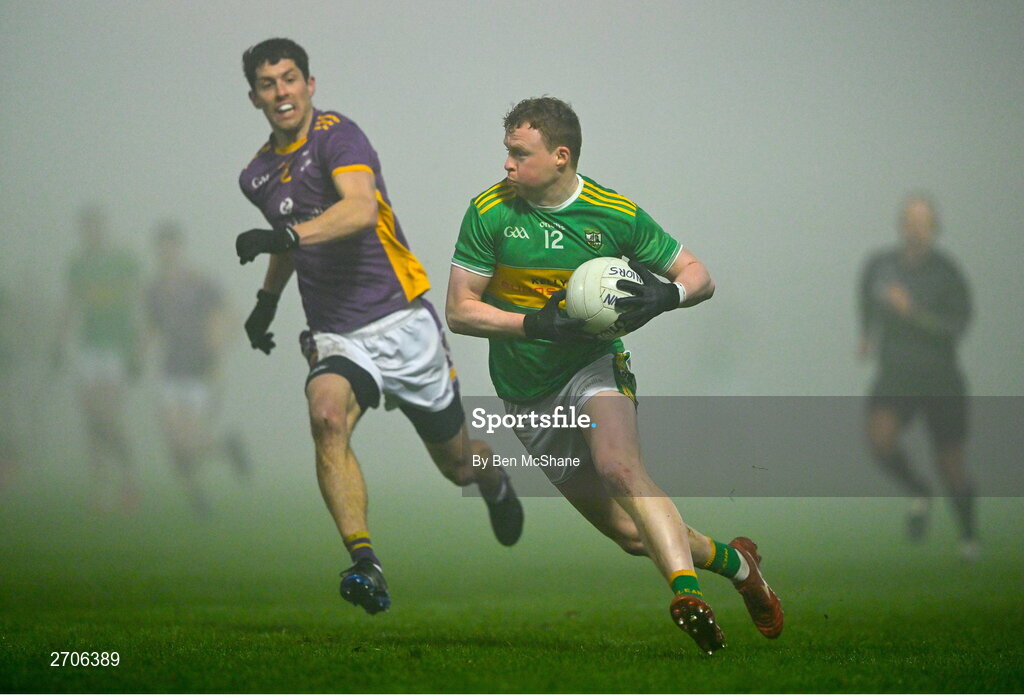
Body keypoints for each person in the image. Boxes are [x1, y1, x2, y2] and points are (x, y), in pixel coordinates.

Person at [446, 97, 783, 655]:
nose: (506, 164)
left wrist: (665, 294)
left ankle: (685, 594)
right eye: (506, 152)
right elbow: (460, 311)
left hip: (593, 366)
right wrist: (536, 324)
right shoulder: (488, 212)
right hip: (526, 390)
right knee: (631, 536)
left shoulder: (615, 213)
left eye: (518, 153)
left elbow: (700, 276)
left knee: (621, 469)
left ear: (561, 156)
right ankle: (739, 565)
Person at [235, 38, 522, 614]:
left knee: (456, 463)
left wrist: (288, 237)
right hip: (337, 332)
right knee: (325, 415)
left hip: (400, 319)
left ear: (310, 84)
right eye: (268, 84)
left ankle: (491, 479)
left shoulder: (339, 136)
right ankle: (366, 562)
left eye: (290, 78)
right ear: (254, 97)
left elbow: (359, 209)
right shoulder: (258, 175)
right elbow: (290, 240)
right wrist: (267, 301)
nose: (281, 92)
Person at [858, 194, 976, 559]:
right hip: (895, 374)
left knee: (949, 459)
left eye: (922, 222)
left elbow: (956, 326)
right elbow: (865, 299)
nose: (914, 228)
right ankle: (919, 491)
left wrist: (913, 312)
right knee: (880, 440)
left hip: (939, 377)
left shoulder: (947, 272)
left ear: (935, 228)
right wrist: (866, 334)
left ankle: (969, 536)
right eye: (909, 220)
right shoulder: (880, 265)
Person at [145, 221, 251, 516]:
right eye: (161, 246)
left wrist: (220, 350)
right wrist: (139, 355)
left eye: (171, 245)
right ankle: (198, 495)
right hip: (170, 367)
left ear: (179, 248)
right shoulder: (154, 288)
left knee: (188, 441)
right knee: (173, 442)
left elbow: (230, 313)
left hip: (199, 368)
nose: (166, 252)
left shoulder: (201, 283)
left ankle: (225, 449)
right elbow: (152, 327)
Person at [57, 206, 142, 512]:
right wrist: (58, 342)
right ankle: (100, 488)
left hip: (116, 348)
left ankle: (129, 477)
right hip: (88, 347)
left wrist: (136, 349)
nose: (91, 233)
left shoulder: (123, 261)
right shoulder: (78, 265)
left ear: (103, 228)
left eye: (95, 227)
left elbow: (137, 305)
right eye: (86, 227)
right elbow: (70, 304)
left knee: (107, 416)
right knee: (90, 419)